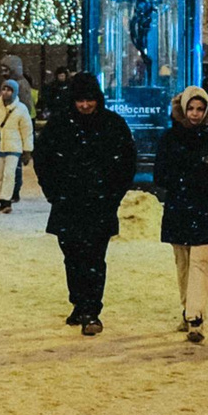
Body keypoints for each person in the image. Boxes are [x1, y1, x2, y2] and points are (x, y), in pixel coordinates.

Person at [32, 73, 137, 336]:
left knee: (94, 258)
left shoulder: (113, 125)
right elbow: (43, 160)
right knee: (72, 257)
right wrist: (53, 193)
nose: (86, 105)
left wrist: (112, 196)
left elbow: (126, 164)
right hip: (68, 204)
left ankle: (91, 309)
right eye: (80, 100)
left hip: (99, 205)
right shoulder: (59, 126)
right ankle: (79, 303)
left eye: (90, 100)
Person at [154, 85, 208, 342]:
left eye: (200, 108)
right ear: (183, 108)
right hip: (180, 206)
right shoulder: (170, 138)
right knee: (184, 265)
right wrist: (188, 174)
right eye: (191, 108)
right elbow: (160, 176)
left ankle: (195, 316)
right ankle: (189, 309)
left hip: (207, 206)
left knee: (201, 263)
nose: (196, 113)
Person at [0, 72, 35, 211]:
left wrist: (27, 150)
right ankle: (3, 198)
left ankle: (6, 200)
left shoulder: (21, 109)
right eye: (4, 89)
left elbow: (27, 131)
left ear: (14, 92)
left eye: (9, 90)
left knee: (9, 174)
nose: (6, 92)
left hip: (14, 147)